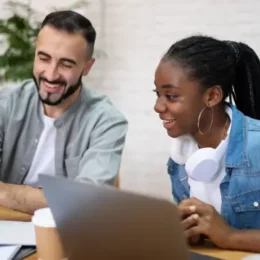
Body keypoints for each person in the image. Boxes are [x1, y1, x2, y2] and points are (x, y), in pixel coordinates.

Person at [0, 11, 128, 214]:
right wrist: (55, 198)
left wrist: (6, 193)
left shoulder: (107, 121)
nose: (51, 75)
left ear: (87, 67)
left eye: (66, 64)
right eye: (44, 58)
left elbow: (88, 200)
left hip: (66, 236)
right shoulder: (5, 103)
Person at [153, 35, 260, 252]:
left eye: (171, 96)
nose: (157, 106)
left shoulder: (256, 145)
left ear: (212, 96)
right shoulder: (181, 155)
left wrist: (231, 237)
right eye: (158, 94)